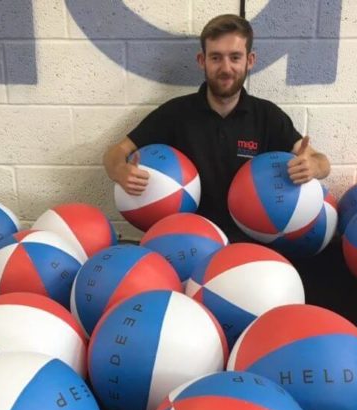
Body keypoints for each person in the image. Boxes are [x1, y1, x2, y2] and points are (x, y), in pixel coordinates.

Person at [103, 13, 331, 241]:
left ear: (249, 60)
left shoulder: (267, 116)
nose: (225, 68)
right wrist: (119, 171)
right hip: (189, 237)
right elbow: (116, 152)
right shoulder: (175, 113)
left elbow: (321, 161)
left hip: (251, 239)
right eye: (216, 58)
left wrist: (313, 167)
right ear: (202, 61)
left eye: (235, 57)